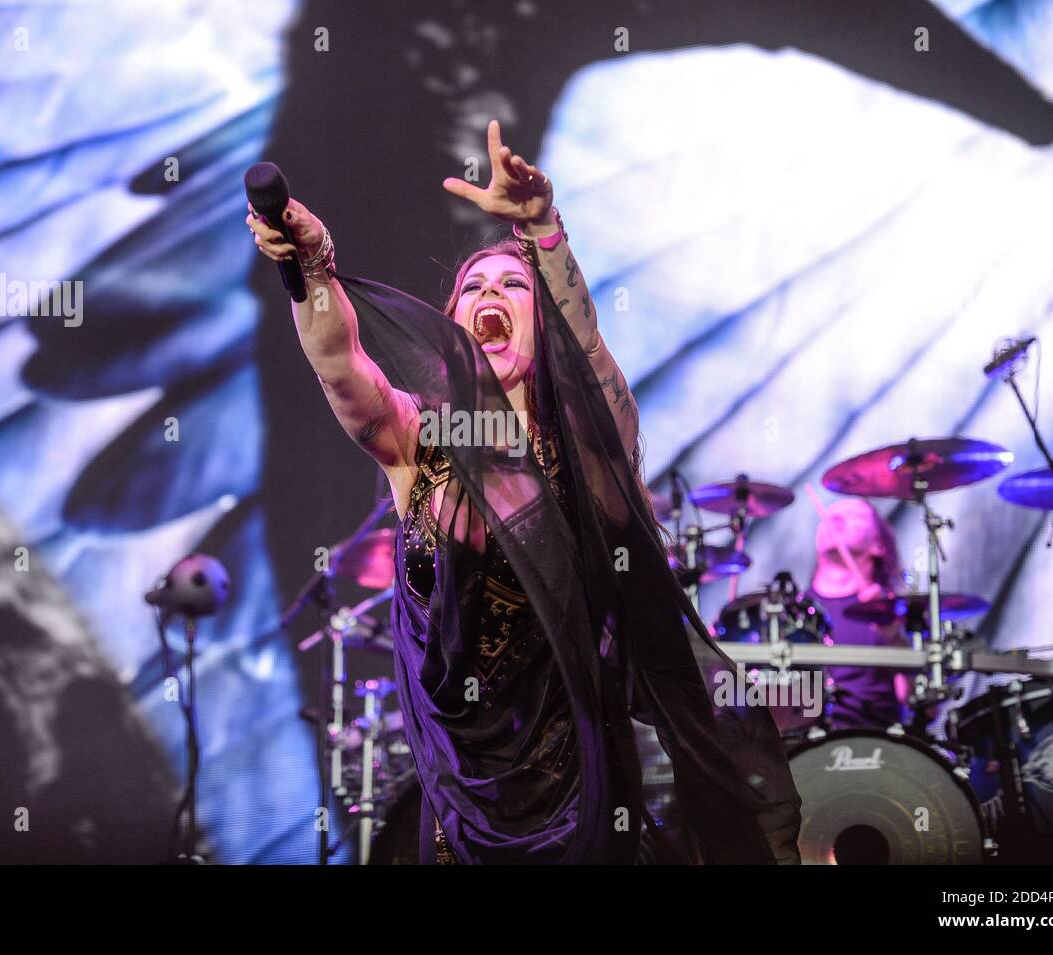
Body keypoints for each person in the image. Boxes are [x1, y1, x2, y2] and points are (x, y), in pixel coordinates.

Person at [247, 120, 801, 864]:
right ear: (450, 329)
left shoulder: (590, 452)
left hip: (578, 794)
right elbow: (338, 361)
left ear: (544, 328)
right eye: (472, 286)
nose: (489, 294)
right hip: (460, 790)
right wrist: (313, 269)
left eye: (512, 285)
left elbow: (591, 354)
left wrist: (541, 230)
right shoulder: (418, 441)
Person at [809, 498, 909, 729]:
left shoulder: (894, 611)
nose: (835, 519)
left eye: (853, 515)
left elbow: (913, 700)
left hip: (875, 744)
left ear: (878, 544)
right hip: (804, 742)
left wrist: (894, 638)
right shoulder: (794, 611)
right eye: (830, 515)